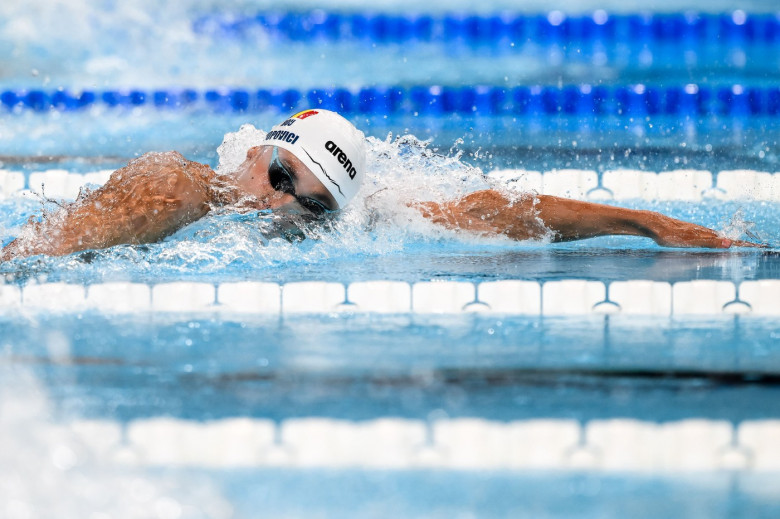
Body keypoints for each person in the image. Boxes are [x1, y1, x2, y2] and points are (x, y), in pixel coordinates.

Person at [0, 109, 761, 262]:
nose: (279, 204)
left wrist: (644, 222)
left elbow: (493, 212)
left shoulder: (360, 219)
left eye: (311, 204)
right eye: (279, 175)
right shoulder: (179, 188)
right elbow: (43, 245)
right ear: (264, 145)